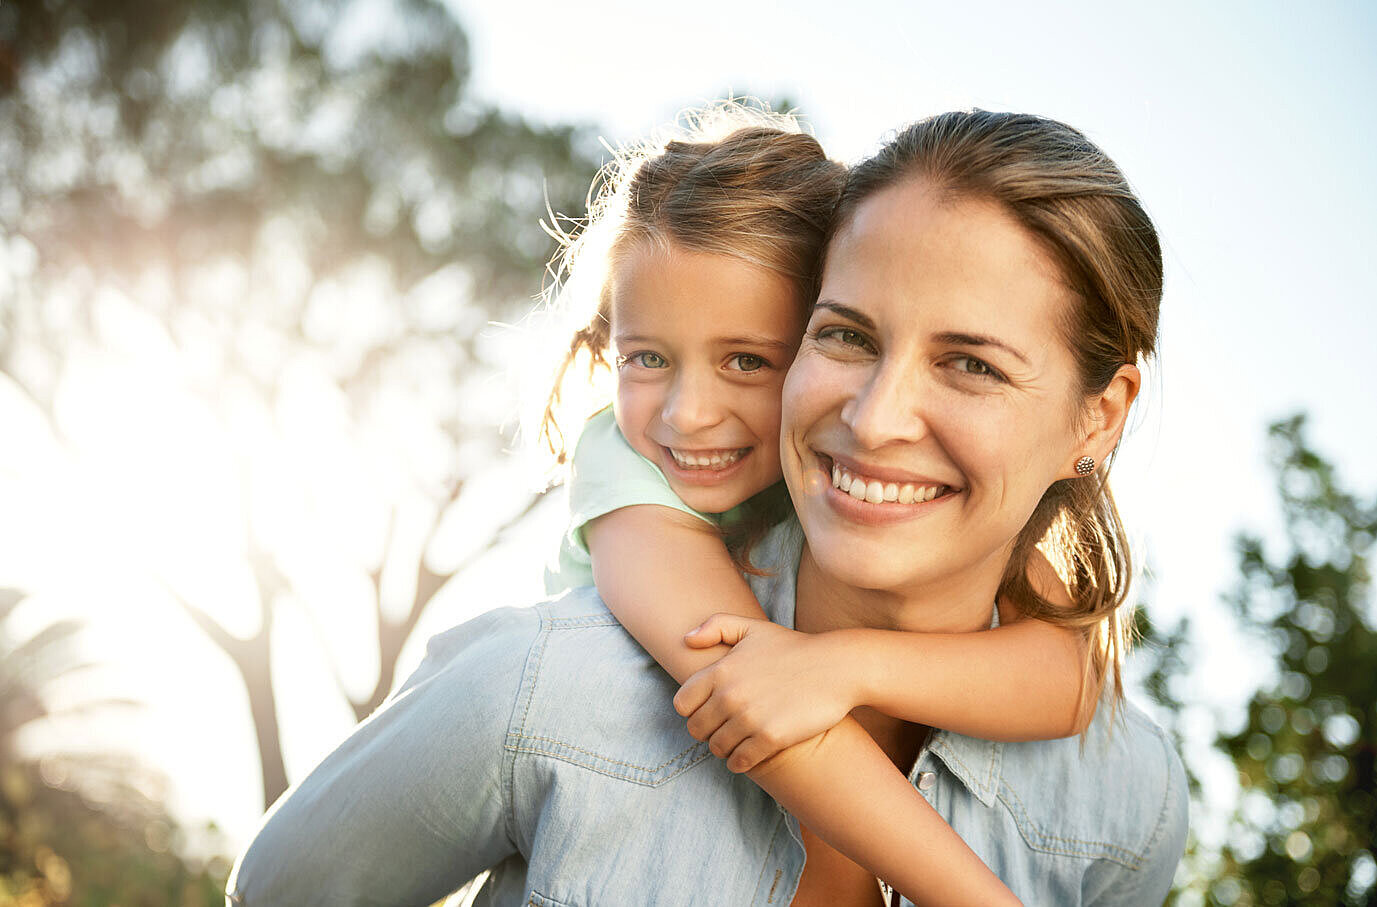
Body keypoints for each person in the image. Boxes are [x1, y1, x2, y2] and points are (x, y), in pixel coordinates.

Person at [228, 109, 1188, 906]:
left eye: (970, 362)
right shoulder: (551, 674)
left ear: (1097, 419)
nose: (876, 416)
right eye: (848, 335)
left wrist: (843, 664)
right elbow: (745, 684)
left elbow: (1065, 678)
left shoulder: (1123, 805)